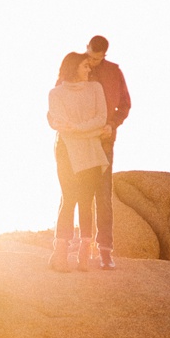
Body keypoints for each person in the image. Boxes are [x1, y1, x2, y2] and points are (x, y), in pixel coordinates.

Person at [47, 51, 110, 272]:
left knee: (86, 200)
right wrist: (90, 131)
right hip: (67, 151)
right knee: (69, 197)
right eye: (85, 66)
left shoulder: (95, 89)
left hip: (91, 151)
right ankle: (61, 253)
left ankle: (84, 254)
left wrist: (79, 129)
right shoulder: (55, 94)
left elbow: (101, 119)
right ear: (73, 67)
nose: (89, 69)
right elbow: (61, 123)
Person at [85, 35, 130, 270]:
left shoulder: (114, 72)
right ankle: (78, 245)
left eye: (97, 58)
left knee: (103, 195)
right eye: (90, 56)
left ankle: (104, 251)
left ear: (104, 55)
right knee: (77, 193)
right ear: (87, 49)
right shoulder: (76, 66)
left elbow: (125, 104)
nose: (92, 62)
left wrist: (112, 124)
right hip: (79, 140)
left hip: (104, 140)